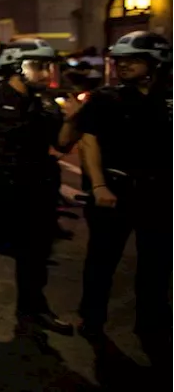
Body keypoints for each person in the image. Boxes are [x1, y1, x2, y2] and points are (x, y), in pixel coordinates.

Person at [0, 38, 78, 336]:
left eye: (48, 66)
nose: (47, 73)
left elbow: (61, 143)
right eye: (39, 66)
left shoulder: (46, 105)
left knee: (35, 253)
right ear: (17, 67)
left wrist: (74, 119)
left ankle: (33, 307)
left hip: (35, 191)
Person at [75, 32, 174, 351]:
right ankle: (92, 318)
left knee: (157, 263)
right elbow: (88, 141)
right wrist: (99, 185)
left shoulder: (169, 96)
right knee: (102, 260)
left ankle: (152, 320)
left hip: (160, 193)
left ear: (156, 62)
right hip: (115, 191)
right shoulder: (106, 97)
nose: (123, 65)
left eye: (132, 59)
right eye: (119, 60)